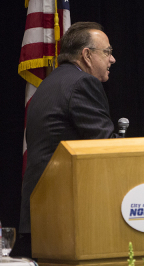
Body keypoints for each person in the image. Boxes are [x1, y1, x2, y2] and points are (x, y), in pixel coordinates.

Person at [15, 22, 118, 258]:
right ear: (87, 55)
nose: (112, 60)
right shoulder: (82, 83)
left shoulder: (49, 84)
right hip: (66, 215)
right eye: (108, 52)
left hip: (42, 212)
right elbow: (105, 147)